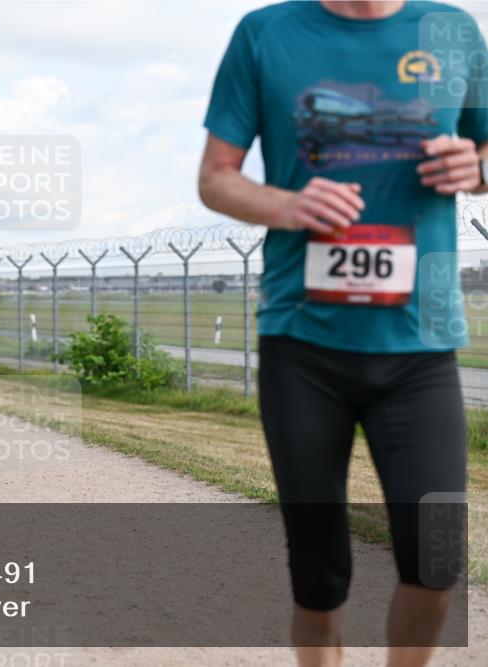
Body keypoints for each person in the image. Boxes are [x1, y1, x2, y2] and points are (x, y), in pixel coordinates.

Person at [198, 2, 487, 665]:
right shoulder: (266, 33)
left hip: (421, 345)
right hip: (304, 345)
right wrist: (289, 205)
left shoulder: (454, 31)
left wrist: (475, 167)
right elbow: (215, 178)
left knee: (437, 559)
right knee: (319, 575)